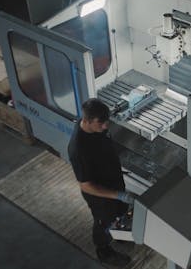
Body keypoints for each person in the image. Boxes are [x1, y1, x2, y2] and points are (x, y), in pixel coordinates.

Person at [67, 98, 134, 266]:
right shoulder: (78, 148)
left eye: (107, 121)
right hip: (99, 194)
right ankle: (103, 250)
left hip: (114, 182)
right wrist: (118, 195)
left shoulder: (98, 128)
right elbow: (86, 185)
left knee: (121, 211)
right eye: (101, 123)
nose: (106, 126)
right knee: (104, 220)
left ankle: (120, 234)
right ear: (87, 121)